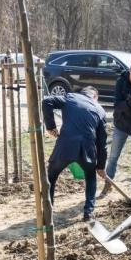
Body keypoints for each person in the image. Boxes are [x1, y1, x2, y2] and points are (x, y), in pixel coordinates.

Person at [42, 86, 108, 222]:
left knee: (51, 177)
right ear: (95, 97)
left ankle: (47, 213)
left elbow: (46, 101)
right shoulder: (100, 110)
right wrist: (101, 166)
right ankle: (88, 212)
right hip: (87, 149)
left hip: (66, 146)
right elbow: (102, 143)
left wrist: (50, 126)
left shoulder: (71, 97)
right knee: (90, 177)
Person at [100, 58, 131, 200]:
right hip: (122, 125)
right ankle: (108, 183)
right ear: (130, 71)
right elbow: (116, 105)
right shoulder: (121, 81)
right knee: (114, 156)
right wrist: (129, 102)